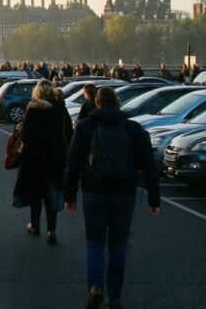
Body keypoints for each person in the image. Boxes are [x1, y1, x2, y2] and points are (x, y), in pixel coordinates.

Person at [64, 87, 161, 309]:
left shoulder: (85, 127)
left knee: (95, 243)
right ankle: (114, 297)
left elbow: (73, 163)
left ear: (95, 103)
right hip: (124, 193)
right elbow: (149, 166)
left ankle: (95, 287)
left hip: (93, 191)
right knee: (118, 246)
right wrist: (154, 200)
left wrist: (69, 196)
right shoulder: (133, 128)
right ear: (118, 103)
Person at [12, 80, 72, 244]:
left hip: (34, 158)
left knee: (35, 194)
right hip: (55, 156)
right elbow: (69, 131)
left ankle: (35, 225)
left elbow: (26, 136)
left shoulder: (33, 109)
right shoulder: (60, 109)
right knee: (51, 194)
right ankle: (51, 230)